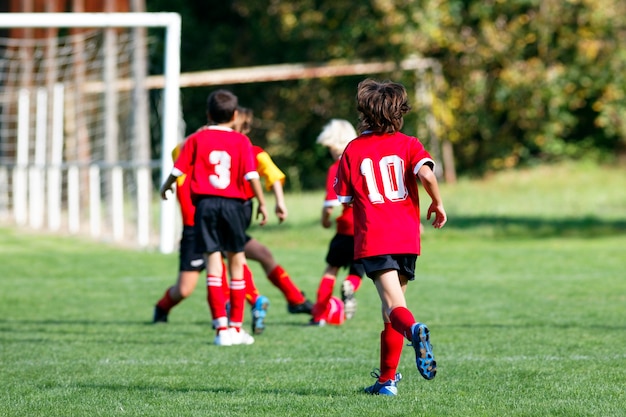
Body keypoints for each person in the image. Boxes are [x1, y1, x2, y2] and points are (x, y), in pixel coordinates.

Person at [334, 79, 447, 396]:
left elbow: (343, 200)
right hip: (407, 238)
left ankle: (414, 330)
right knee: (392, 308)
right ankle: (387, 382)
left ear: (364, 114)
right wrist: (437, 203)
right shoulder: (409, 144)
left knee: (393, 306)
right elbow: (426, 174)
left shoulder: (354, 149)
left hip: (376, 238)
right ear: (400, 112)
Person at [160, 89, 268, 346]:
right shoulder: (242, 142)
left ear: (208, 114)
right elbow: (251, 177)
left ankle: (221, 330)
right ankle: (237, 327)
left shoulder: (196, 139)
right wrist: (263, 203)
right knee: (237, 262)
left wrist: (166, 186)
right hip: (234, 206)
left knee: (213, 265)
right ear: (234, 115)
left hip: (205, 206)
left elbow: (177, 169)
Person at [309, 119, 365, 326]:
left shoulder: (336, 167)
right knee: (357, 271)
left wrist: (324, 220)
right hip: (364, 229)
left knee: (331, 269)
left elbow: (330, 204)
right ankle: (350, 285)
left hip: (344, 230)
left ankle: (319, 315)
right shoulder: (361, 160)